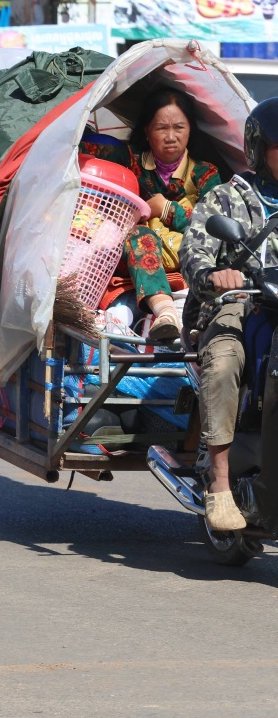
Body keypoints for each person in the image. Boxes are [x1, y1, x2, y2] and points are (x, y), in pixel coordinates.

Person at [179, 97, 278, 531]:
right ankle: (220, 484)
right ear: (259, 149)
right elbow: (192, 248)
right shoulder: (228, 197)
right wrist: (215, 275)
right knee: (222, 363)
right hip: (239, 306)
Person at [82, 88, 222, 342]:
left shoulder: (206, 173)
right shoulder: (129, 160)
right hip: (131, 254)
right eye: (161, 129)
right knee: (137, 234)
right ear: (147, 131)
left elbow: (212, 223)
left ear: (190, 129)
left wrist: (167, 209)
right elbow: (81, 150)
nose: (171, 137)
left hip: (184, 258)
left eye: (179, 127)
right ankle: (165, 312)